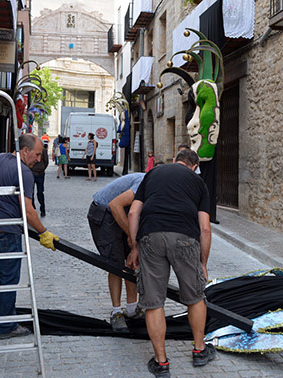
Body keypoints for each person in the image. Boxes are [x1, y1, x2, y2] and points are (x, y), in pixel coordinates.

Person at [127, 149, 216, 378]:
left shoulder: (153, 173)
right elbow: (205, 228)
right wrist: (203, 263)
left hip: (151, 235)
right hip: (185, 238)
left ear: (175, 160)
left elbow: (133, 213)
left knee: (154, 301)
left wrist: (135, 247)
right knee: (195, 297)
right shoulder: (198, 183)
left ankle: (161, 363)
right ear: (194, 166)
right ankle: (199, 350)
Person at [0, 134, 60, 339]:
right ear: (25, 151)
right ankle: (5, 325)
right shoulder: (24, 173)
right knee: (8, 278)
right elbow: (27, 210)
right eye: (36, 154)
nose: (38, 159)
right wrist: (44, 233)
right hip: (6, 231)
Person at [87, 173, 146, 332]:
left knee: (131, 260)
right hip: (103, 212)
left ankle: (132, 309)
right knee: (115, 263)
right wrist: (132, 238)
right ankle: (116, 311)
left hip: (122, 213)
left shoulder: (159, 189)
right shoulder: (144, 183)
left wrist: (135, 244)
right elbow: (115, 205)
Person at [31, 141, 49, 217]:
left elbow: (46, 161)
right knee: (30, 192)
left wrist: (42, 169)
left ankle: (42, 209)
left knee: (40, 192)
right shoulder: (31, 150)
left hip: (40, 173)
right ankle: (32, 208)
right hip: (32, 173)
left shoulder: (43, 151)